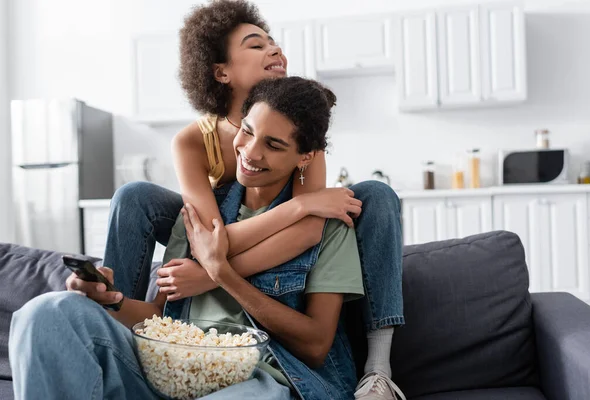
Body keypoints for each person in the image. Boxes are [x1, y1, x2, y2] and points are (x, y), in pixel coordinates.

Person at [103, 1, 405, 398]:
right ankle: (110, 317)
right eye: (256, 46)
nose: (274, 51)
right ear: (221, 72)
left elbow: (308, 232)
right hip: (221, 221)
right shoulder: (194, 140)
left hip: (269, 235)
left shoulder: (300, 127)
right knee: (134, 196)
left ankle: (378, 370)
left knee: (375, 196)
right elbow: (214, 236)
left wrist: (213, 271)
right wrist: (209, 263)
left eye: (273, 43)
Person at [12, 76, 377, 399]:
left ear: (305, 157)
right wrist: (111, 301)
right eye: (247, 131)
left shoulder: (327, 225)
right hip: (169, 370)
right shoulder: (203, 213)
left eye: (274, 145)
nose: (250, 152)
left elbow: (315, 346)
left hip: (261, 378)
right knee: (46, 313)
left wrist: (222, 274)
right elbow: (159, 314)